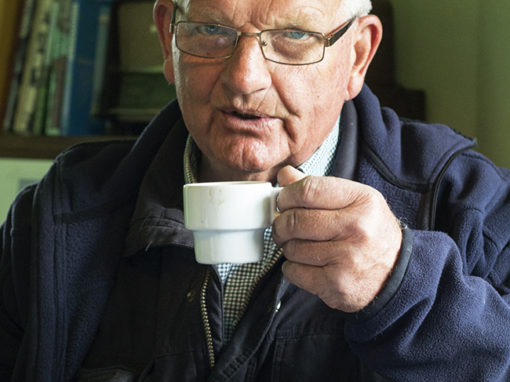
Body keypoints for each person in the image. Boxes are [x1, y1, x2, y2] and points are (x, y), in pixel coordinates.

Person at [1, 0, 510, 380]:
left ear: (358, 55)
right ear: (167, 38)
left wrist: (404, 290)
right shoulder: (58, 213)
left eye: (292, 36)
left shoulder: (469, 204)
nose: (244, 79)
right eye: (210, 30)